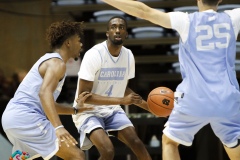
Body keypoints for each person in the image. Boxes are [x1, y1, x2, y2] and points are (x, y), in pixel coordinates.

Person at [101, 0, 240, 160]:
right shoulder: (233, 18)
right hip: (227, 99)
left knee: (169, 142)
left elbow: (143, 11)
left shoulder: (187, 21)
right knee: (232, 142)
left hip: (194, 99)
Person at [1, 21, 93, 160]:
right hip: (26, 117)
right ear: (68, 43)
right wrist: (58, 127)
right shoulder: (57, 63)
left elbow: (47, 104)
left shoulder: (49, 61)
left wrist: (75, 110)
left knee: (24, 158)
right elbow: (44, 94)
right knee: (77, 156)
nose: (81, 45)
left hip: (12, 118)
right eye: (78, 40)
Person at [72, 16, 152, 160]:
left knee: (137, 143)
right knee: (108, 151)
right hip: (87, 111)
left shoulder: (128, 56)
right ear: (107, 33)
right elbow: (83, 96)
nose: (117, 30)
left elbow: (123, 88)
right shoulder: (94, 54)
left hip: (112, 110)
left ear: (126, 33)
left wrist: (151, 108)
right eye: (113, 27)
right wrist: (122, 100)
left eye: (121, 27)